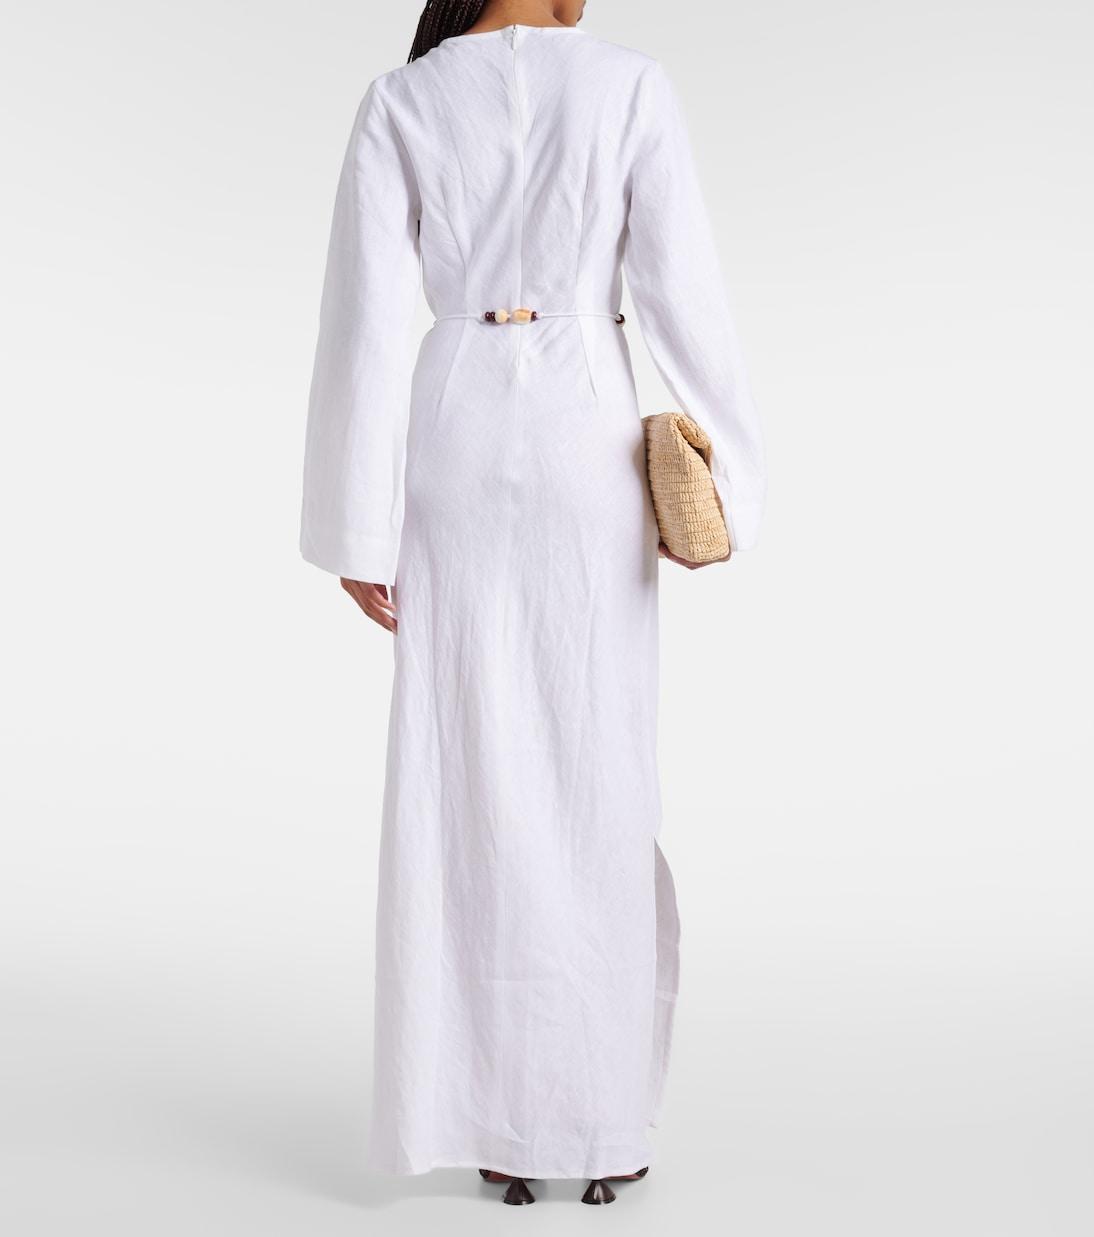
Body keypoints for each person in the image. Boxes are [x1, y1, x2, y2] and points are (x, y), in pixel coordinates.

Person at [299, 0, 765, 1206]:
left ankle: (493, 1121)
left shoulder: (402, 99)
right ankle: (597, 1123)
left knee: (463, 777)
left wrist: (356, 523)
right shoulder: (626, 84)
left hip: (451, 429)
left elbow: (364, 319)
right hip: (583, 431)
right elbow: (682, 291)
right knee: (599, 773)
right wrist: (732, 486)